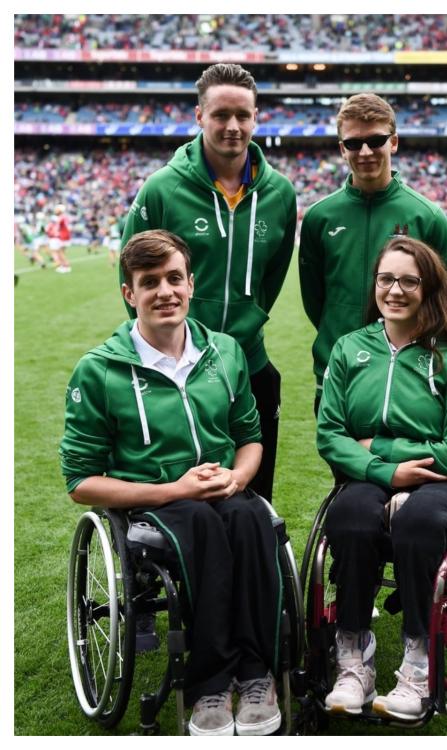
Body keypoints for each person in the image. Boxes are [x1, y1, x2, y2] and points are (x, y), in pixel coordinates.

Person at [60, 230, 283, 736]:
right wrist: (176, 489)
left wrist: (239, 475)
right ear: (129, 293)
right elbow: (80, 481)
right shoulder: (99, 371)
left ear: (190, 283)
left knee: (252, 517)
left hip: (221, 490)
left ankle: (256, 673)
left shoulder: (224, 351)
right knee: (200, 524)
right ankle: (207, 683)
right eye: (149, 282)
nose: (165, 291)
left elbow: (250, 436)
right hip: (152, 502)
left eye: (174, 278)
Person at [316, 237, 447, 720]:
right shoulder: (350, 349)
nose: (395, 290)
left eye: (408, 281)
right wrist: (387, 472)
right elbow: (330, 435)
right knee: (351, 516)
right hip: (373, 477)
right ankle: (354, 653)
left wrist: (380, 450)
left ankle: (418, 659)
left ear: (429, 287)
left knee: (419, 520)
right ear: (375, 284)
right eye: (386, 279)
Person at [121, 62, 297, 504]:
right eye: (221, 115)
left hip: (249, 364)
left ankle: (253, 571)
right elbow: (132, 275)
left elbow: (273, 274)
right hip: (178, 368)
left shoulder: (280, 194)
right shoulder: (162, 188)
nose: (233, 126)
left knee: (253, 498)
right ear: (199, 116)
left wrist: (250, 317)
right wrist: (167, 346)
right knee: (185, 496)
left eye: (243, 115)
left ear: (256, 117)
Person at [299, 92, 447, 412]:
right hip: (339, 370)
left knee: (406, 462)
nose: (366, 151)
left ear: (394, 142)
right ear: (342, 149)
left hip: (408, 374)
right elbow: (316, 300)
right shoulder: (319, 217)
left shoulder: (427, 217)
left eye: (376, 140)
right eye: (354, 143)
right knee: (343, 460)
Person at [47, 203, 72, 273]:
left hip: (63, 236)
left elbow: (57, 228)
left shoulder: (61, 217)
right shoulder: (65, 217)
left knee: (60, 252)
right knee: (61, 252)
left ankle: (66, 266)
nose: (55, 211)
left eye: (56, 209)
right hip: (66, 236)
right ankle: (64, 266)